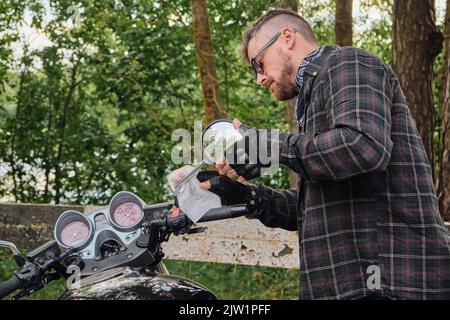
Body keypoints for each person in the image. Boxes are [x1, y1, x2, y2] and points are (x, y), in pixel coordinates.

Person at [198, 9, 450, 300]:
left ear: (287, 38)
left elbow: (363, 146)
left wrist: (268, 143)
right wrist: (245, 196)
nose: (260, 78)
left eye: (259, 63)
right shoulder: (313, 103)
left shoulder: (348, 63)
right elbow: (314, 210)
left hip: (395, 282)